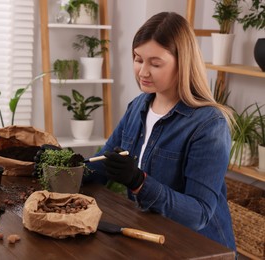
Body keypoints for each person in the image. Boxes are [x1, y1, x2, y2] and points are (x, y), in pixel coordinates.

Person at [83, 12, 236, 252]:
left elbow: (199, 215)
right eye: (137, 59)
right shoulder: (138, 107)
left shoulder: (209, 124)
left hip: (201, 250)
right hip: (151, 237)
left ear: (182, 63)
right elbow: (102, 165)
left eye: (155, 63)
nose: (143, 71)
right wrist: (63, 164)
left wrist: (138, 182)